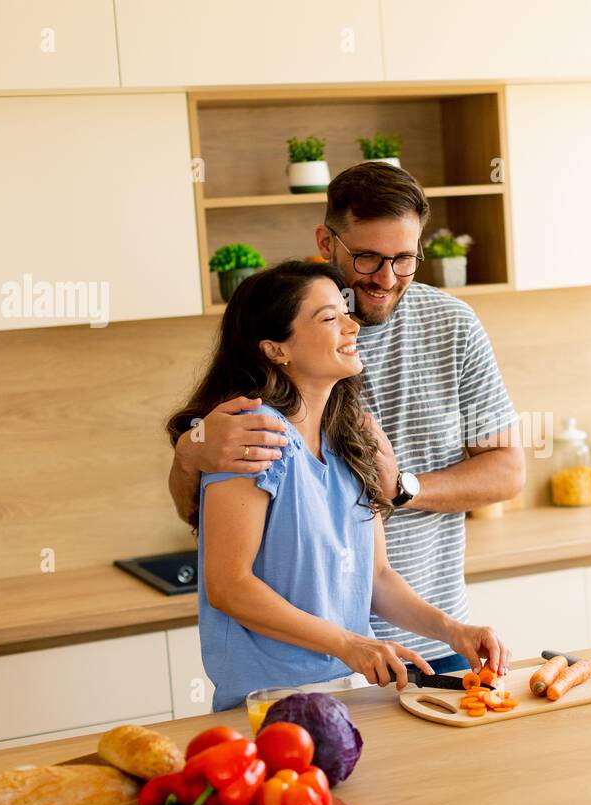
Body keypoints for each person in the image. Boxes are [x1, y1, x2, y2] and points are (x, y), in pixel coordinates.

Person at [168, 162, 524, 682]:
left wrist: (401, 490)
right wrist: (189, 453)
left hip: (399, 649)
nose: (385, 279)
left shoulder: (351, 425)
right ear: (326, 239)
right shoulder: (254, 431)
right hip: (318, 671)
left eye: (404, 260)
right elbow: (223, 572)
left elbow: (506, 473)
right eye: (368, 258)